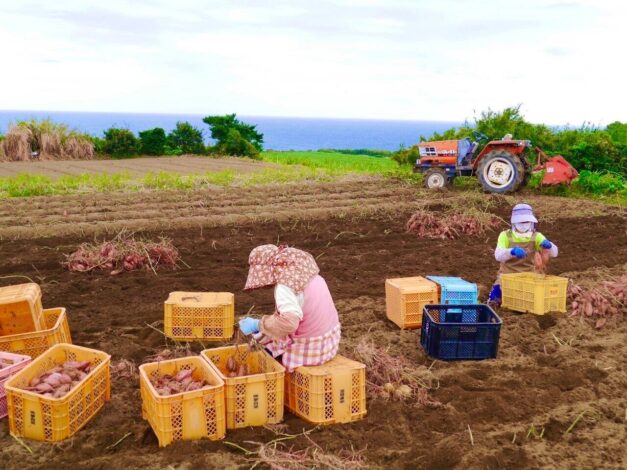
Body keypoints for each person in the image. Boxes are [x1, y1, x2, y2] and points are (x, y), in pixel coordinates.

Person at [238, 244, 341, 372]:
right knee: (270, 334)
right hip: (330, 342)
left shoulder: (284, 287)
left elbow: (289, 323)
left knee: (270, 350)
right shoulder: (307, 273)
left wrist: (258, 324)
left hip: (311, 350)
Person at [488, 203, 558, 305]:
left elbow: (554, 253)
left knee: (537, 301)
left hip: (529, 275)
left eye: (526, 222)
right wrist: (511, 251)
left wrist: (549, 246)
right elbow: (498, 255)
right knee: (495, 298)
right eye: (520, 222)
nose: (523, 224)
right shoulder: (505, 236)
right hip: (507, 275)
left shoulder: (537, 236)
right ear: (514, 223)